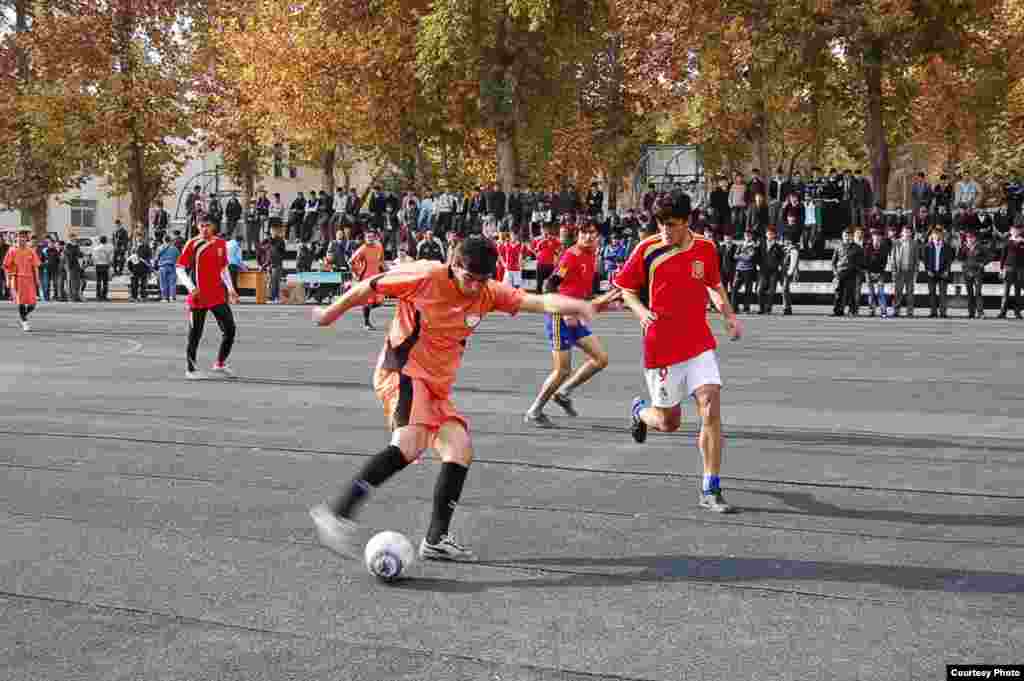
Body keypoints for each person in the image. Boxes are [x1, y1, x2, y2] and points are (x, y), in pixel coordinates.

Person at [308, 236, 603, 562]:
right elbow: (369, 287)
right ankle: (338, 513)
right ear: (453, 265)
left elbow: (540, 302)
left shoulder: (489, 292)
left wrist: (578, 305)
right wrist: (329, 314)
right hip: (403, 371)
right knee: (411, 442)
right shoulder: (424, 276)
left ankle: (436, 540)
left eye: (483, 280)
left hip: (436, 384)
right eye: (469, 278)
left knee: (458, 449)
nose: (476, 287)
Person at [614, 192, 742, 513]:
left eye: (671, 224)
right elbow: (626, 288)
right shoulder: (647, 249)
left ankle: (710, 487)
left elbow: (713, 283)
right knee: (668, 422)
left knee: (711, 405)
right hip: (663, 345)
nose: (664, 230)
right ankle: (640, 411)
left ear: (687, 221)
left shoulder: (706, 248)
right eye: (660, 224)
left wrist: (727, 314)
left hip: (699, 340)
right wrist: (641, 311)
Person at [524, 222, 615, 427]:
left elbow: (580, 287)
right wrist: (565, 311)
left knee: (601, 359)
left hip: (574, 314)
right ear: (578, 236)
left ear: (598, 237)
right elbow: (550, 284)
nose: (588, 237)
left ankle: (564, 392)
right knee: (562, 370)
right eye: (584, 233)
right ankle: (535, 411)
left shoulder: (592, 254)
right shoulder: (571, 256)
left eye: (592, 233)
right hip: (560, 316)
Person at [176, 221, 240, 380]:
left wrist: (231, 289)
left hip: (217, 296)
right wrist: (191, 287)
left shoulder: (220, 243)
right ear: (198, 227)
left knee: (230, 329)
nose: (204, 228)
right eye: (201, 225)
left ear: (213, 227)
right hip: (198, 297)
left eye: (208, 225)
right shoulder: (192, 244)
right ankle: (191, 369)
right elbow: (180, 268)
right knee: (195, 334)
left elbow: (223, 268)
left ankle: (220, 363)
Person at [4, 230, 41, 331]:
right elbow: (6, 266)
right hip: (17, 278)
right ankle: (25, 322)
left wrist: (37, 280)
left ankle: (23, 316)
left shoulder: (31, 251)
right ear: (17, 238)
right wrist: (8, 279)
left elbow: (36, 266)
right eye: (20, 237)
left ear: (26, 239)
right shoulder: (12, 250)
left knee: (33, 304)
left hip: (29, 279)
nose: (21, 239)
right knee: (20, 302)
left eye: (24, 238)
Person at [349, 229, 385, 329]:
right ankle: (366, 323)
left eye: (372, 237)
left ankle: (365, 308)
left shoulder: (379, 247)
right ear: (365, 238)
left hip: (377, 277)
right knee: (368, 301)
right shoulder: (362, 249)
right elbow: (351, 262)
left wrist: (387, 272)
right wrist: (356, 274)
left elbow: (381, 261)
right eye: (368, 237)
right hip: (366, 279)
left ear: (375, 237)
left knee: (380, 301)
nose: (370, 239)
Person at [156, 236, 181, 302]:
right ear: (170, 240)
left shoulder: (160, 248)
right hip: (172, 266)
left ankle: (164, 298)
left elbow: (156, 257)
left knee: (163, 283)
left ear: (163, 240)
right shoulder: (175, 249)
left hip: (162, 267)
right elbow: (179, 258)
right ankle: (172, 297)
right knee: (172, 283)